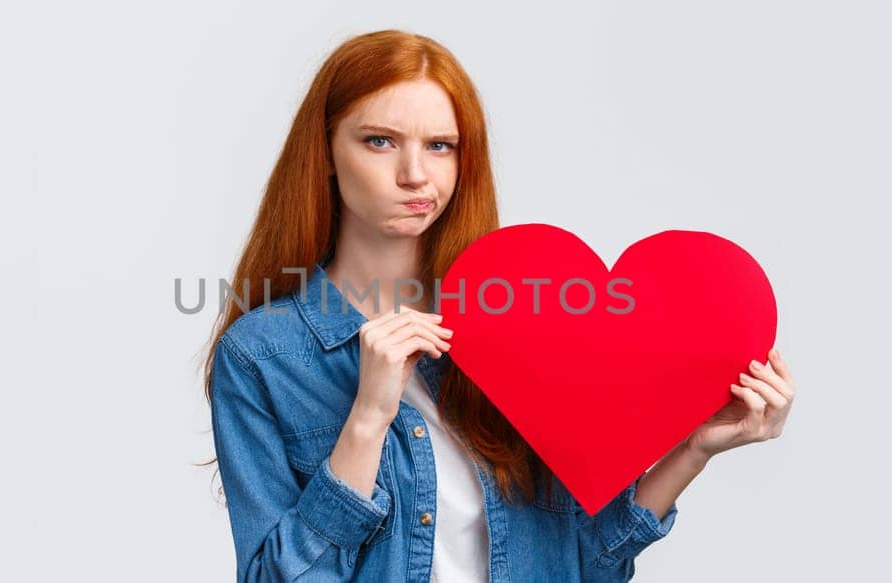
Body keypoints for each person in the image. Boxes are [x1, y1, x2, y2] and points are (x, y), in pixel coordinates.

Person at [202, 29, 796, 582]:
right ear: (327, 152)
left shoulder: (523, 324)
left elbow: (585, 562)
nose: (415, 174)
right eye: (379, 141)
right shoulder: (262, 355)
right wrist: (366, 418)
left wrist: (695, 449)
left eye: (440, 146)